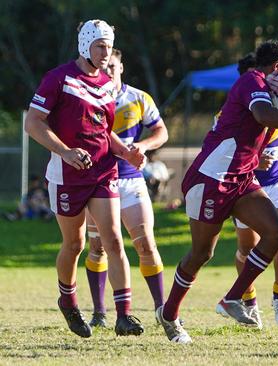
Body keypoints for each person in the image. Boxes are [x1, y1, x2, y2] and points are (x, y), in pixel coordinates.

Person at [155, 40, 278, 344]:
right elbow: (263, 116)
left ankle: (232, 298)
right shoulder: (252, 80)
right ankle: (169, 314)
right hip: (211, 179)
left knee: (277, 232)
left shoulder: (270, 93)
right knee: (201, 253)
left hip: (241, 180)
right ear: (277, 67)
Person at [24, 19, 146, 338]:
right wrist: (65, 151)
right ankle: (68, 300)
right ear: (84, 46)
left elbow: (105, 131)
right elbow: (33, 123)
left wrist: (126, 152)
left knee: (114, 239)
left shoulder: (108, 83)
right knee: (75, 243)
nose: (106, 52)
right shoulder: (58, 78)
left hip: (103, 171)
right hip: (67, 175)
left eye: (109, 46)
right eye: (100, 46)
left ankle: (124, 315)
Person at [83, 48, 169, 327]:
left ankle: (162, 310)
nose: (108, 70)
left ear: (122, 67)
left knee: (145, 242)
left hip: (131, 179)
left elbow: (161, 132)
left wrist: (142, 145)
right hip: (97, 181)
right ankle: (99, 312)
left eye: (113, 66)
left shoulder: (139, 98)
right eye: (104, 65)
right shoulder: (88, 95)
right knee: (97, 247)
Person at [228, 53, 278, 327]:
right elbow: (221, 150)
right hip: (244, 185)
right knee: (247, 247)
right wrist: (254, 161)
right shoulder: (231, 110)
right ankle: (248, 302)